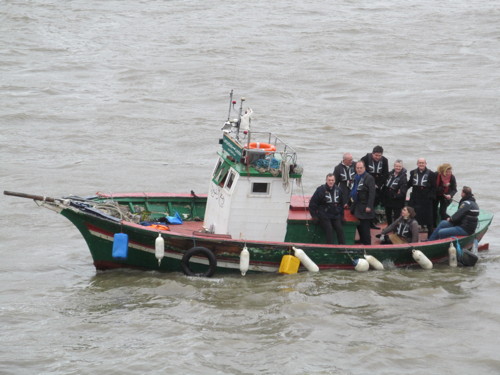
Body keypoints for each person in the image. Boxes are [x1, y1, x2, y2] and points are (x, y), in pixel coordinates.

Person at [309, 173, 345, 244]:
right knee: (329, 230)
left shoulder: (339, 190)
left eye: (332, 180)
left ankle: (342, 248)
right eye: (329, 180)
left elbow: (341, 204)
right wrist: (314, 216)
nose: (331, 182)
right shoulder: (320, 190)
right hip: (324, 215)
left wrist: (342, 216)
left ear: (335, 181)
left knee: (340, 230)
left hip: (335, 215)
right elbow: (312, 204)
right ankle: (329, 248)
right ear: (326, 180)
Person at [361, 146, 389, 228]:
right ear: (372, 153)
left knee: (374, 203)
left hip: (377, 185)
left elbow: (385, 174)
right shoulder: (365, 159)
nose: (377, 157)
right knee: (366, 203)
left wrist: (378, 185)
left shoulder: (384, 160)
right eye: (376, 155)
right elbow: (361, 172)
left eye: (379, 155)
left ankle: (372, 222)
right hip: (366, 185)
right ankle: (365, 222)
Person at [407, 158, 435, 237]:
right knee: (411, 215)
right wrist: (402, 189)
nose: (421, 164)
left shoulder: (432, 174)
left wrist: (430, 197)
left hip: (426, 198)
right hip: (415, 197)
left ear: (426, 164)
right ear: (417, 164)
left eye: (423, 163)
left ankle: (430, 236)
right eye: (419, 163)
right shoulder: (413, 172)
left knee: (429, 217)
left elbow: (434, 187)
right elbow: (409, 184)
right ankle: (410, 234)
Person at [349, 161, 376, 245]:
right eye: (357, 168)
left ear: (364, 168)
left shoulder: (369, 178)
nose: (359, 169)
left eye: (361, 168)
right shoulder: (356, 177)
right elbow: (353, 190)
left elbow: (372, 193)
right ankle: (362, 240)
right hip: (357, 205)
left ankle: (367, 244)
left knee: (365, 228)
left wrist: (369, 206)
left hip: (365, 206)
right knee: (359, 226)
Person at [382, 159, 408, 225]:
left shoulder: (404, 177)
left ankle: (395, 229)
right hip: (388, 198)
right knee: (388, 213)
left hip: (397, 200)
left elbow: (403, 191)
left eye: (399, 166)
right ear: (394, 166)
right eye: (396, 166)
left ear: (402, 167)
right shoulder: (390, 174)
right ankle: (389, 225)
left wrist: (395, 195)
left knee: (396, 216)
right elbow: (385, 184)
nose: (398, 168)